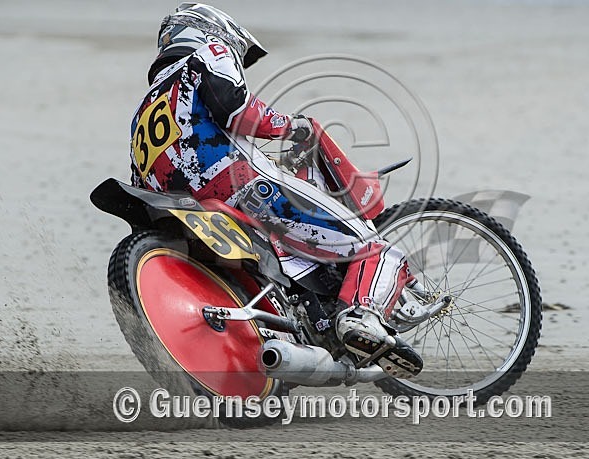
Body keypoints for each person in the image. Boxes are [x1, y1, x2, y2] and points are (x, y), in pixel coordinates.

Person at [130, 3, 422, 378]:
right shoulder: (208, 54)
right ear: (210, 30)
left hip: (190, 210)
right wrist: (294, 126)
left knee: (294, 257)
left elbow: (142, 177)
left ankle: (304, 324)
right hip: (242, 189)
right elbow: (238, 111)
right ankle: (361, 318)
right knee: (374, 248)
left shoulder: (143, 110)